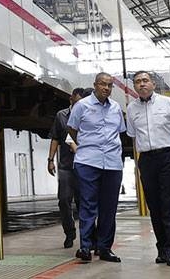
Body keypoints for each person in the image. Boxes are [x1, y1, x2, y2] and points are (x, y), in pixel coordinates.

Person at [125, 71, 170, 267]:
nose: (141, 84)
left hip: (169, 156)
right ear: (134, 86)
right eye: (137, 82)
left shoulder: (167, 103)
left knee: (169, 205)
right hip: (146, 160)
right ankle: (162, 249)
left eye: (145, 81)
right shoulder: (131, 108)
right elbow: (133, 135)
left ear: (153, 84)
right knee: (154, 205)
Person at [67, 73, 127, 263]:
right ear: (95, 85)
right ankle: (85, 247)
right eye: (103, 84)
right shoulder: (81, 106)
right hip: (87, 162)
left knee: (109, 207)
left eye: (110, 85)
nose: (106, 88)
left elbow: (120, 132)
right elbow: (72, 129)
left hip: (112, 163)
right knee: (88, 205)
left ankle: (105, 248)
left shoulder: (116, 107)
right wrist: (86, 146)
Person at [47, 87, 86, 248]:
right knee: (63, 201)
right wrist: (50, 160)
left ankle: (87, 237)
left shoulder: (87, 115)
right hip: (66, 166)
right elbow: (55, 138)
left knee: (83, 203)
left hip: (84, 166)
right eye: (76, 103)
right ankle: (69, 233)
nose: (79, 106)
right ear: (71, 100)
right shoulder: (61, 116)